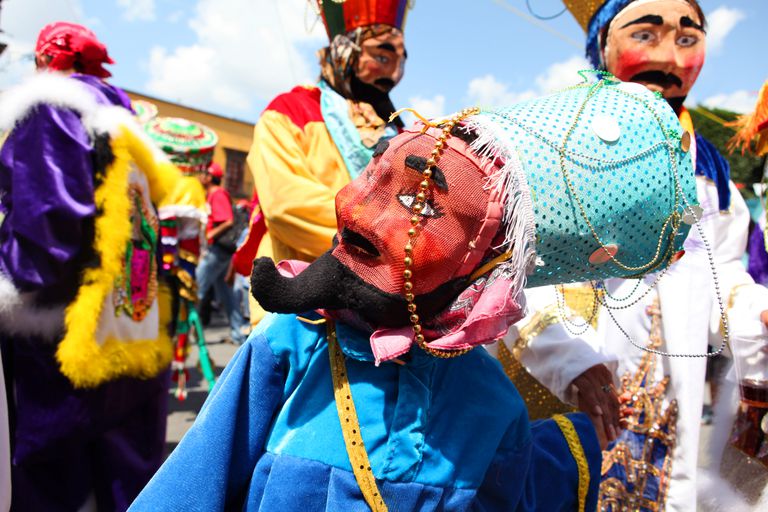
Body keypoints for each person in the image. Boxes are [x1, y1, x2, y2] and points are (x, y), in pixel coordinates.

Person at [497, 1, 768, 510]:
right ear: (601, 43)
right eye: (646, 33)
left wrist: (755, 315)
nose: (669, 56)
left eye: (688, 39)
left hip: (671, 395)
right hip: (557, 383)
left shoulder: (710, 172)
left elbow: (721, 270)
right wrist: (568, 359)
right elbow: (510, 267)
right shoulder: (553, 142)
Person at [0, 22, 181, 510]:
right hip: (130, 329)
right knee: (124, 483)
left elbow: (47, 227)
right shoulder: (126, 120)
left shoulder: (53, 105)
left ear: (44, 62)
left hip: (63, 337)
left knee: (52, 485)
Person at [245, 0, 409, 325]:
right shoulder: (290, 111)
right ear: (344, 51)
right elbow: (287, 205)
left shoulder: (401, 130)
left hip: (387, 305)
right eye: (381, 56)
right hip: (302, 310)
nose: (393, 73)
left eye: (400, 62)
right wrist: (391, 239)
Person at [196, 162, 248, 345]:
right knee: (226, 295)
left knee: (196, 288)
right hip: (220, 250)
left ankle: (184, 333)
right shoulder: (212, 194)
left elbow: (227, 220)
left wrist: (210, 234)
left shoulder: (217, 194)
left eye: (204, 173)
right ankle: (238, 333)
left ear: (210, 177)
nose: (200, 176)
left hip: (217, 250)